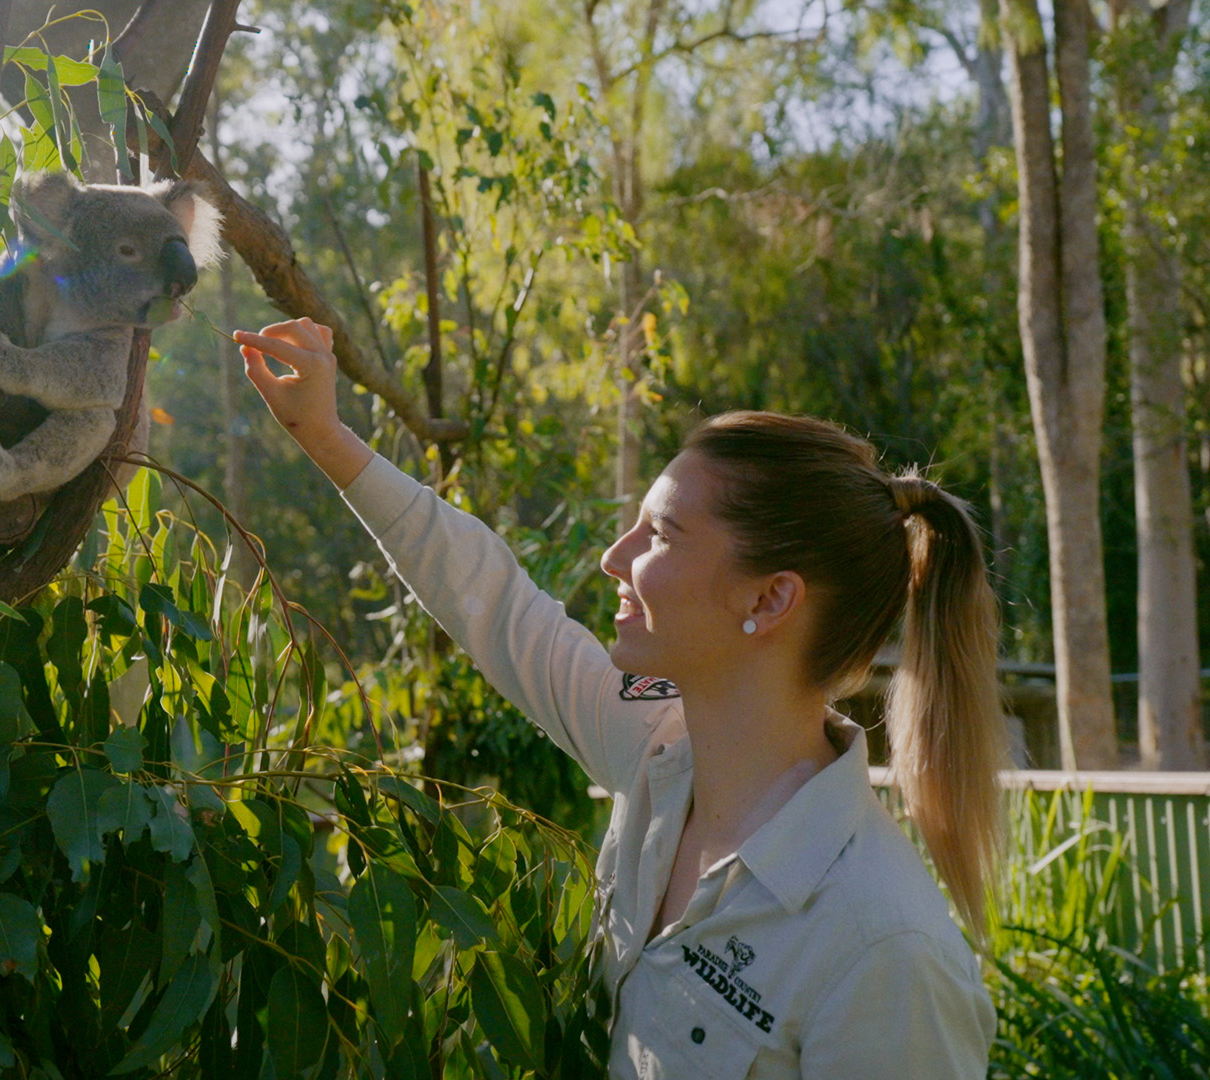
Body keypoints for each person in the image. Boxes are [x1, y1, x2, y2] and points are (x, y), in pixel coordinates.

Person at [232, 317, 1003, 1079]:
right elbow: (496, 605)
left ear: (770, 601)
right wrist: (326, 437)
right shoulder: (658, 754)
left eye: (659, 534)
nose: (612, 558)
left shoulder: (885, 950)